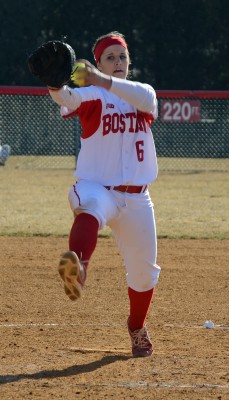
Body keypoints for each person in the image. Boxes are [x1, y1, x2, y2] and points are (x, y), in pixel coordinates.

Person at [49, 31, 161, 358]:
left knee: (145, 273)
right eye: (110, 57)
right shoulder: (94, 94)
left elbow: (145, 99)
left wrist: (100, 78)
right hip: (97, 186)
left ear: (130, 62)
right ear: (98, 63)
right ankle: (77, 267)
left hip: (137, 197)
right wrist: (55, 85)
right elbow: (68, 98)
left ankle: (136, 326)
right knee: (91, 207)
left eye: (122, 57)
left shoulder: (143, 93)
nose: (117, 62)